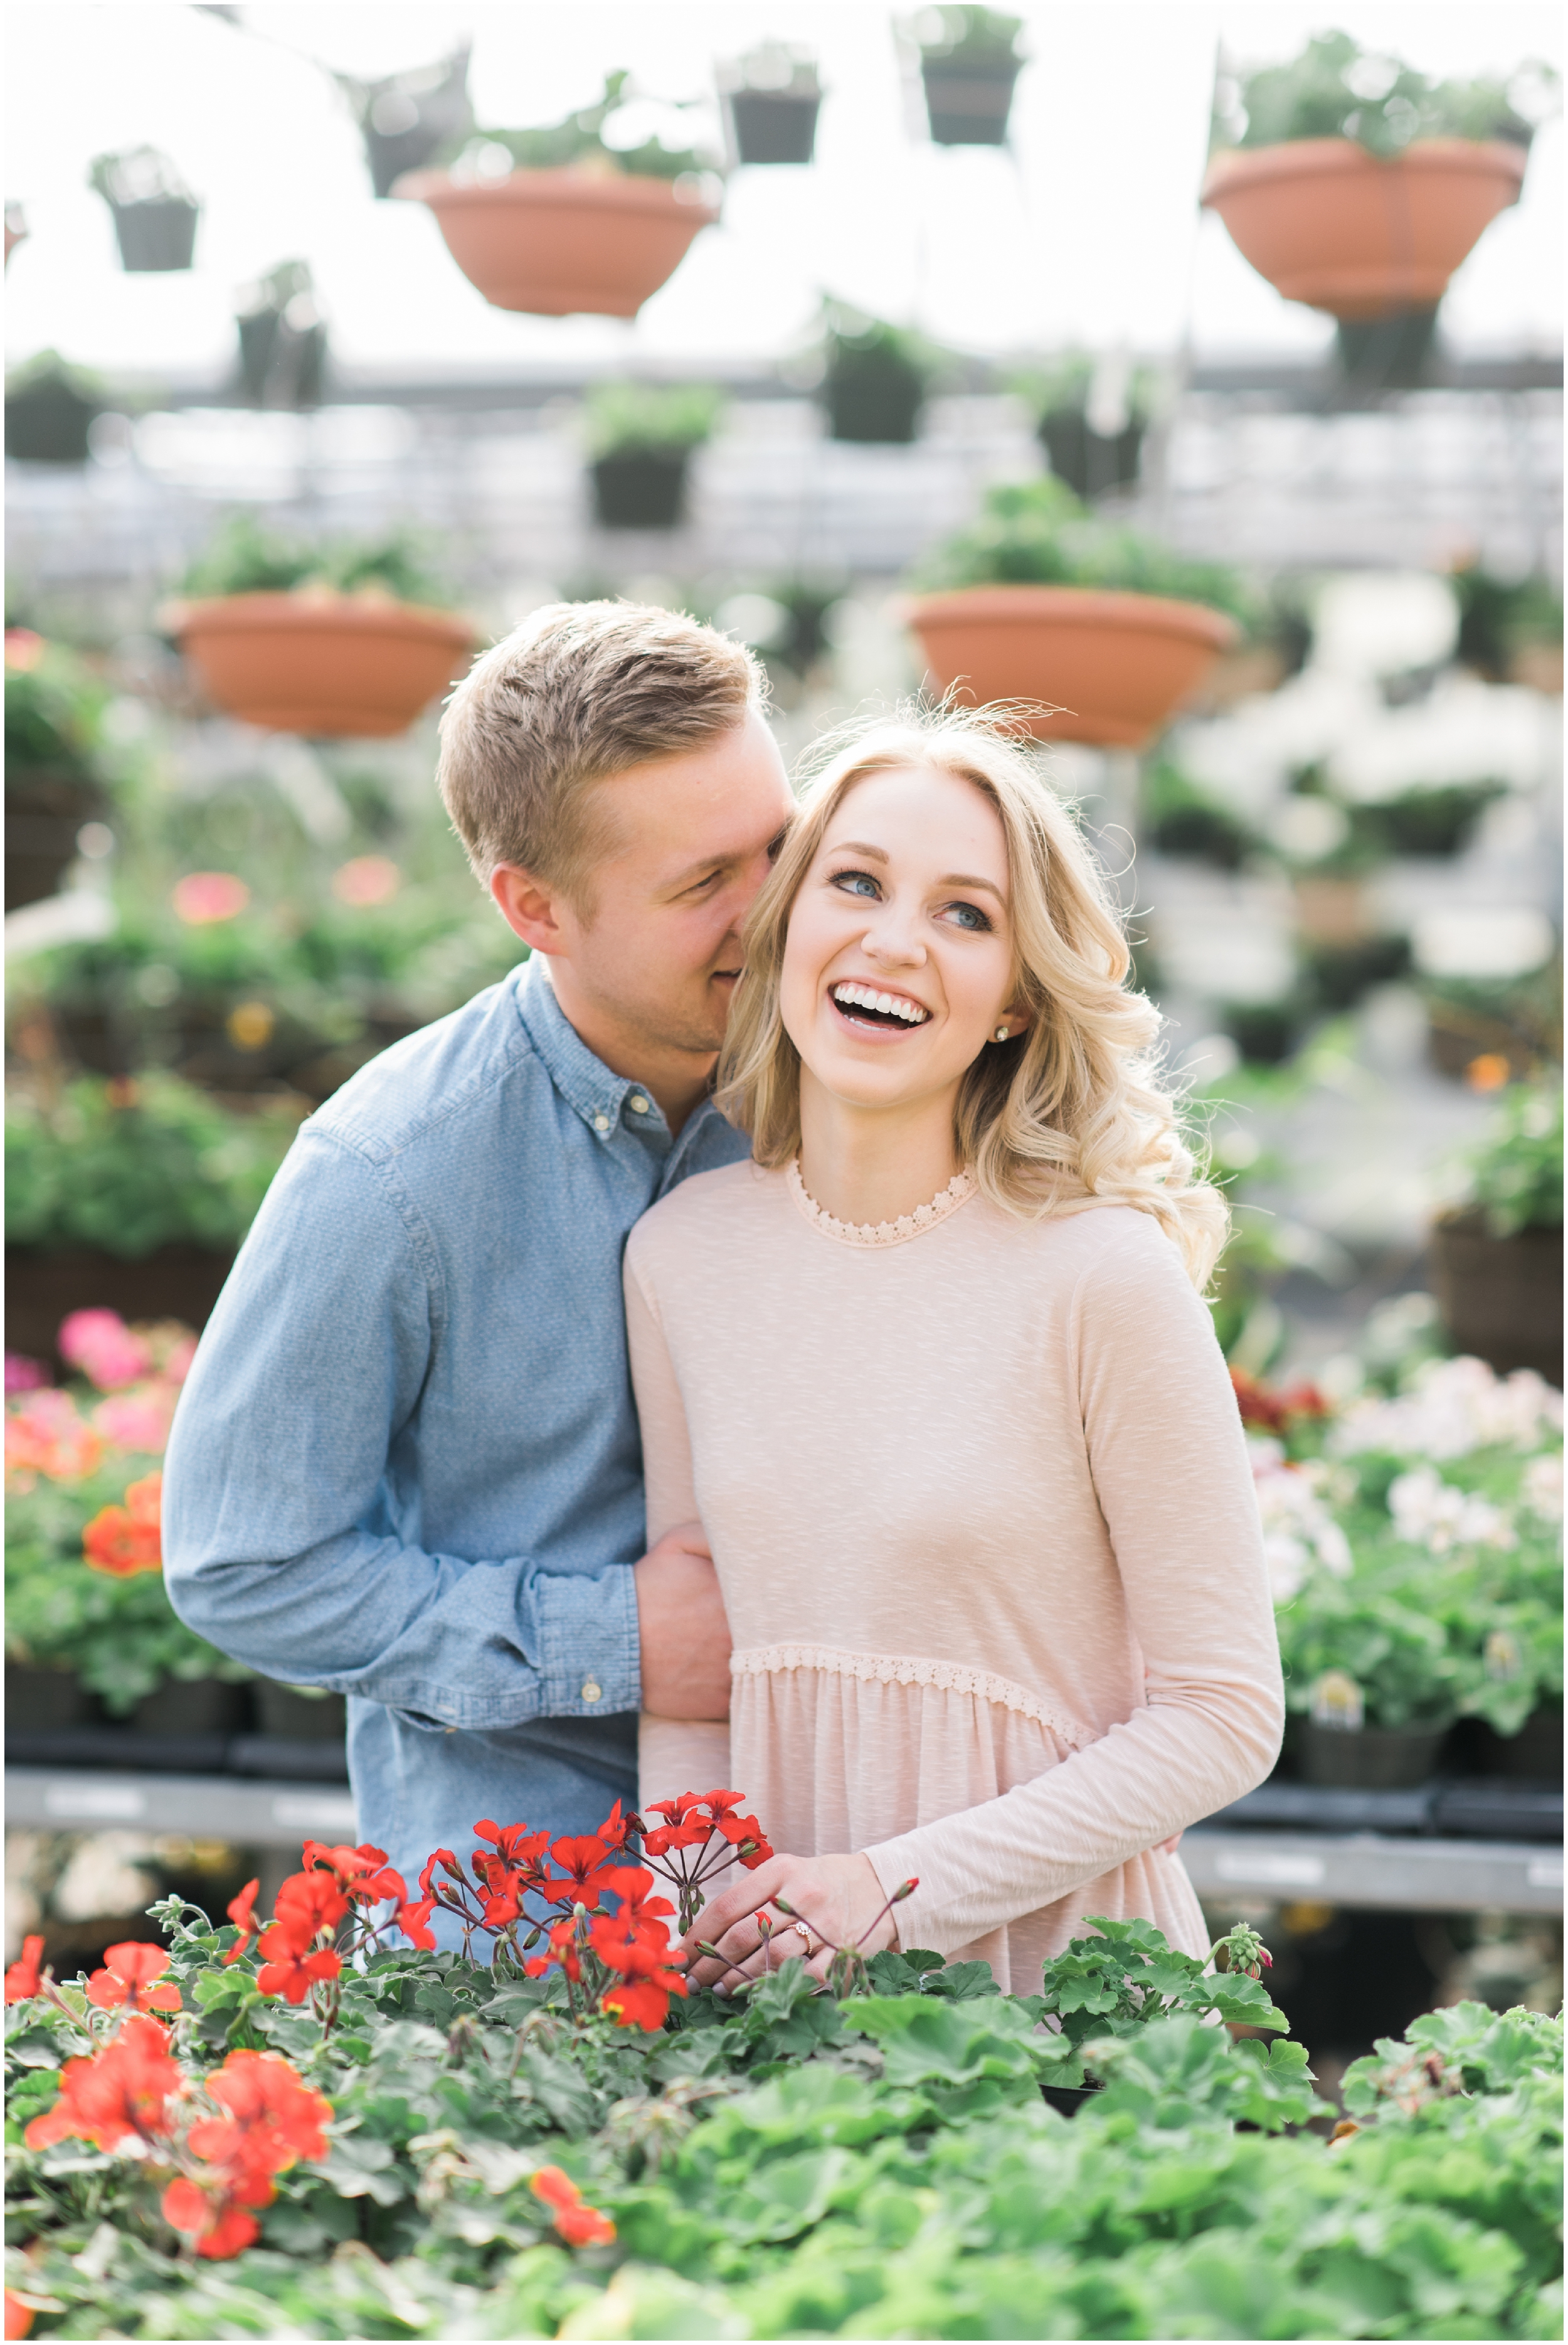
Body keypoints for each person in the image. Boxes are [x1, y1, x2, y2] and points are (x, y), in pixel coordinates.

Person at [627, 707, 1283, 1994]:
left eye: (963, 915)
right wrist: (691, 1918)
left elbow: (1221, 1714)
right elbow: (690, 1654)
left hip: (1058, 1998)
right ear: (784, 926)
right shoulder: (678, 1257)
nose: (892, 941)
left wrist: (885, 1892)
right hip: (774, 1995)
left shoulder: (1099, 1275)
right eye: (855, 883)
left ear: (1013, 1005)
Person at [163, 602, 795, 1895]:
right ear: (534, 908)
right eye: (701, 887)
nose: (775, 914)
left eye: (778, 850)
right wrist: (616, 1640)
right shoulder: (388, 1175)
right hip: (535, 1893)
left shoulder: (860, 1080)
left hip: (852, 1830)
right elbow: (245, 1561)